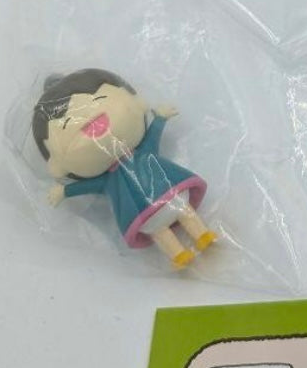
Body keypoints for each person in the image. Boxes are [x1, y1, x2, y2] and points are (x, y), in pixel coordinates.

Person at [33, 68, 215, 268]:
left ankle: (202, 235)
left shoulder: (143, 154)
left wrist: (160, 118)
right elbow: (91, 185)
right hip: (146, 214)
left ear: (136, 102)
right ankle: (178, 254)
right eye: (67, 124)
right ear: (57, 165)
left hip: (168, 193)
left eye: (99, 99)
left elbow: (152, 138)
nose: (92, 122)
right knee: (159, 228)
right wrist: (65, 191)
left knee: (181, 211)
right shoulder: (109, 179)